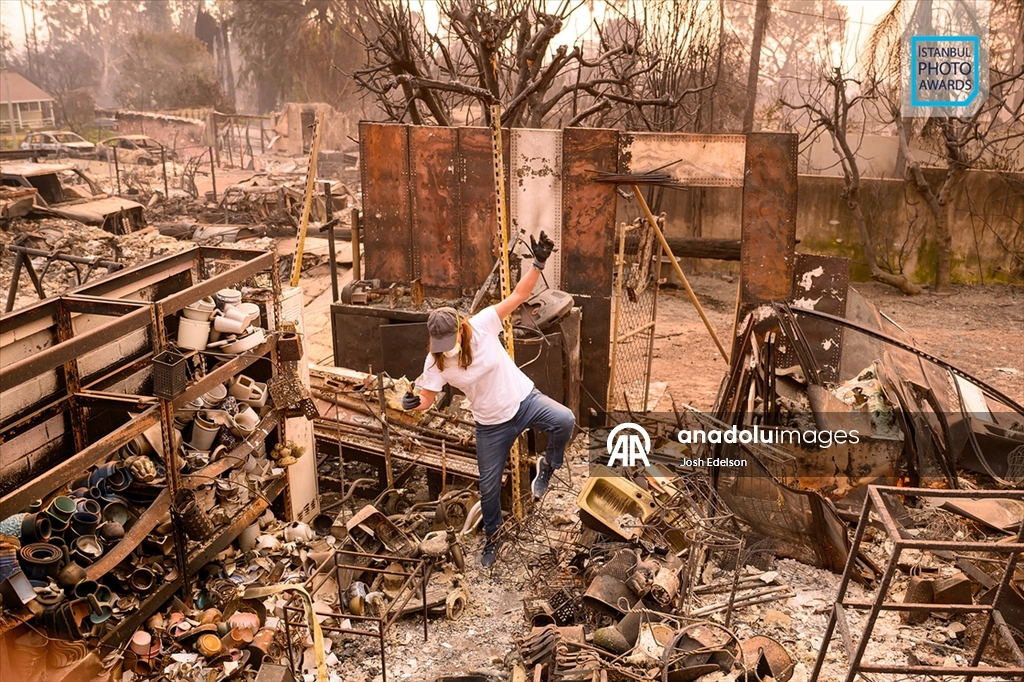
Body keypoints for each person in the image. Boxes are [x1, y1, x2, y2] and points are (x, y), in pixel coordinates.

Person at [401, 231, 576, 567]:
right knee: (489, 489)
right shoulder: (435, 360)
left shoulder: (482, 324)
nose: (446, 348)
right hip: (490, 424)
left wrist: (538, 262)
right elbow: (427, 398)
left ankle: (548, 466)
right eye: (440, 343)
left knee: (564, 420)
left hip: (523, 400)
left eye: (449, 340)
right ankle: (493, 538)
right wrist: (415, 405)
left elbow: (521, 295)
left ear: (460, 328)